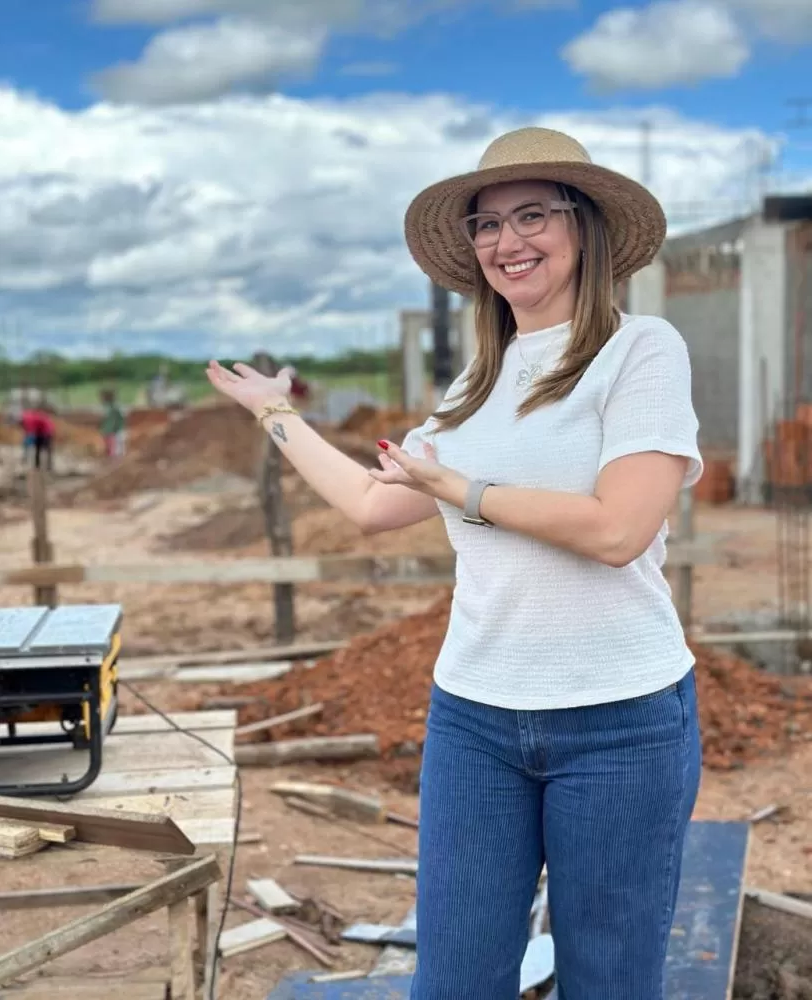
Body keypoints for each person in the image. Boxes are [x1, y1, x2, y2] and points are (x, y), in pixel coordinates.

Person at [206, 127, 703, 1000]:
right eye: (486, 225)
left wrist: (466, 489)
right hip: (475, 720)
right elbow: (370, 504)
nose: (507, 242)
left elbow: (618, 529)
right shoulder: (479, 382)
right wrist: (275, 413)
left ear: (582, 227)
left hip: (619, 720)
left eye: (532, 216)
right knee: (455, 981)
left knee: (610, 981)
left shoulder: (641, 351)